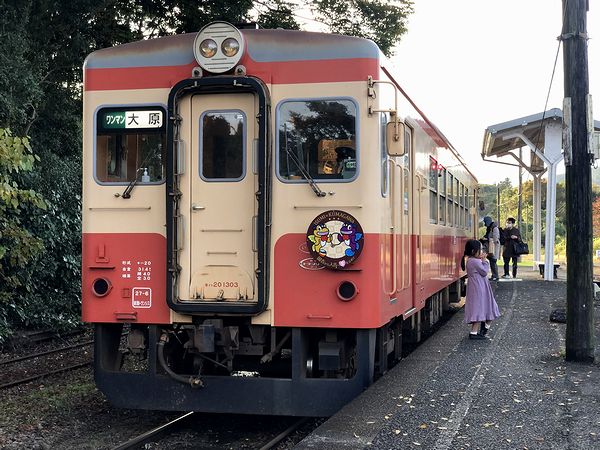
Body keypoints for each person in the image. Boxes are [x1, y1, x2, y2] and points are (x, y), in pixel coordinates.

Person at [461, 239, 501, 340]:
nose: (482, 252)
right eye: (480, 249)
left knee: (479, 307)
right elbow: (484, 272)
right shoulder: (475, 261)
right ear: (474, 251)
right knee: (481, 307)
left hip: (477, 286)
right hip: (479, 287)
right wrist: (485, 262)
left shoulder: (470, 260)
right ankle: (479, 331)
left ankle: (476, 331)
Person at [481, 216, 500, 281]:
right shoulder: (490, 228)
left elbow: (495, 238)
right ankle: (494, 275)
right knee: (492, 262)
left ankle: (495, 276)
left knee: (493, 261)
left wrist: (487, 239)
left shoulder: (494, 228)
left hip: (493, 247)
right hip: (491, 247)